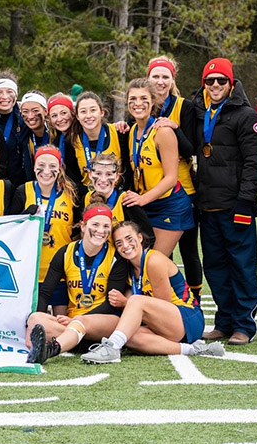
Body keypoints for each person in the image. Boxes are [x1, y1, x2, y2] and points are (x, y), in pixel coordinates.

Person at [192, 58, 257, 346]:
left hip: (236, 206)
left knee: (242, 267)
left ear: (231, 83)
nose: (215, 86)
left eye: (221, 81)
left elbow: (255, 161)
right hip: (208, 206)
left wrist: (245, 202)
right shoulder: (200, 113)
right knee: (215, 268)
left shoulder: (247, 116)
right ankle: (223, 321)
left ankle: (244, 325)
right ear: (204, 85)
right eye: (210, 81)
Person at [80, 221, 225, 364]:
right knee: (129, 336)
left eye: (129, 239)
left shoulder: (153, 260)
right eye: (119, 243)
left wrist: (126, 302)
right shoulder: (127, 269)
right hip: (162, 325)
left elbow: (162, 304)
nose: (125, 246)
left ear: (140, 238)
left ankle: (111, 348)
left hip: (187, 318)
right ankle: (193, 349)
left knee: (136, 301)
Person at [25, 204, 127, 364]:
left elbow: (111, 304)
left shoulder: (116, 257)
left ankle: (59, 345)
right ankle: (82, 342)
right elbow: (45, 293)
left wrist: (77, 319)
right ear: (83, 226)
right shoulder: (65, 252)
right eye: (95, 224)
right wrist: (36, 322)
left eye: (106, 226)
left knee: (92, 322)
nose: (101, 231)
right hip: (71, 322)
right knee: (35, 318)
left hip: (102, 320)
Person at [146, 57, 203, 301]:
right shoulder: (142, 105)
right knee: (160, 254)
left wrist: (174, 128)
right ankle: (167, 301)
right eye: (155, 77)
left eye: (164, 77)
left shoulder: (184, 106)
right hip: (152, 192)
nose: (160, 81)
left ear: (172, 80)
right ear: (148, 79)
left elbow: (191, 148)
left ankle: (196, 302)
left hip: (183, 190)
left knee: (189, 251)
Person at [122, 79, 193, 257]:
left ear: (153, 102)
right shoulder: (132, 131)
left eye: (143, 98)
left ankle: (180, 287)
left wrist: (143, 199)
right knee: (144, 262)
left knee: (154, 262)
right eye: (133, 99)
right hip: (147, 205)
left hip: (169, 205)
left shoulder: (163, 132)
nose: (138, 104)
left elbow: (171, 178)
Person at [9, 146, 78, 316]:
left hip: (60, 273)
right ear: (33, 167)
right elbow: (11, 230)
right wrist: (26, 216)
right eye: (41, 165)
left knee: (59, 323)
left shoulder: (70, 194)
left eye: (52, 166)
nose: (46, 171)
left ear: (59, 168)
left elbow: (78, 231)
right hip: (30, 271)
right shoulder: (22, 191)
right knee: (31, 321)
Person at [85, 152, 154, 242]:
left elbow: (149, 237)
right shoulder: (86, 198)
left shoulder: (127, 201)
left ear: (117, 176)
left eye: (109, 174)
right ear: (90, 174)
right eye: (98, 173)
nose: (103, 179)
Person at [68, 92, 123, 198]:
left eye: (93, 110)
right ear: (77, 116)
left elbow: (127, 169)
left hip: (116, 196)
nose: (88, 116)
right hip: (88, 197)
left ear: (101, 112)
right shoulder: (72, 141)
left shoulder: (118, 133)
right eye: (83, 112)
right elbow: (74, 179)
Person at [0, 71, 26, 187]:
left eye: (9, 92)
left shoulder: (24, 119)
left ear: (16, 95)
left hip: (17, 184)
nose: (4, 97)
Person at [18, 90, 50, 182]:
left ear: (45, 111)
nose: (30, 116)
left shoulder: (57, 135)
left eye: (35, 111)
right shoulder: (23, 136)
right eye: (25, 111)